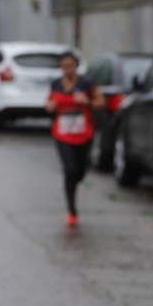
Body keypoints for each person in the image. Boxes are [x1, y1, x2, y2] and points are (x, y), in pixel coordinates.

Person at [45, 51, 101, 227]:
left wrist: (87, 102)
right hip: (62, 133)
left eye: (70, 65)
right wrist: (50, 106)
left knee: (80, 171)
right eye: (64, 66)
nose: (67, 69)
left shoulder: (87, 83)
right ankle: (71, 209)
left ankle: (75, 181)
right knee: (69, 169)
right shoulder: (55, 84)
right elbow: (48, 103)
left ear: (76, 66)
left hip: (84, 133)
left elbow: (101, 102)